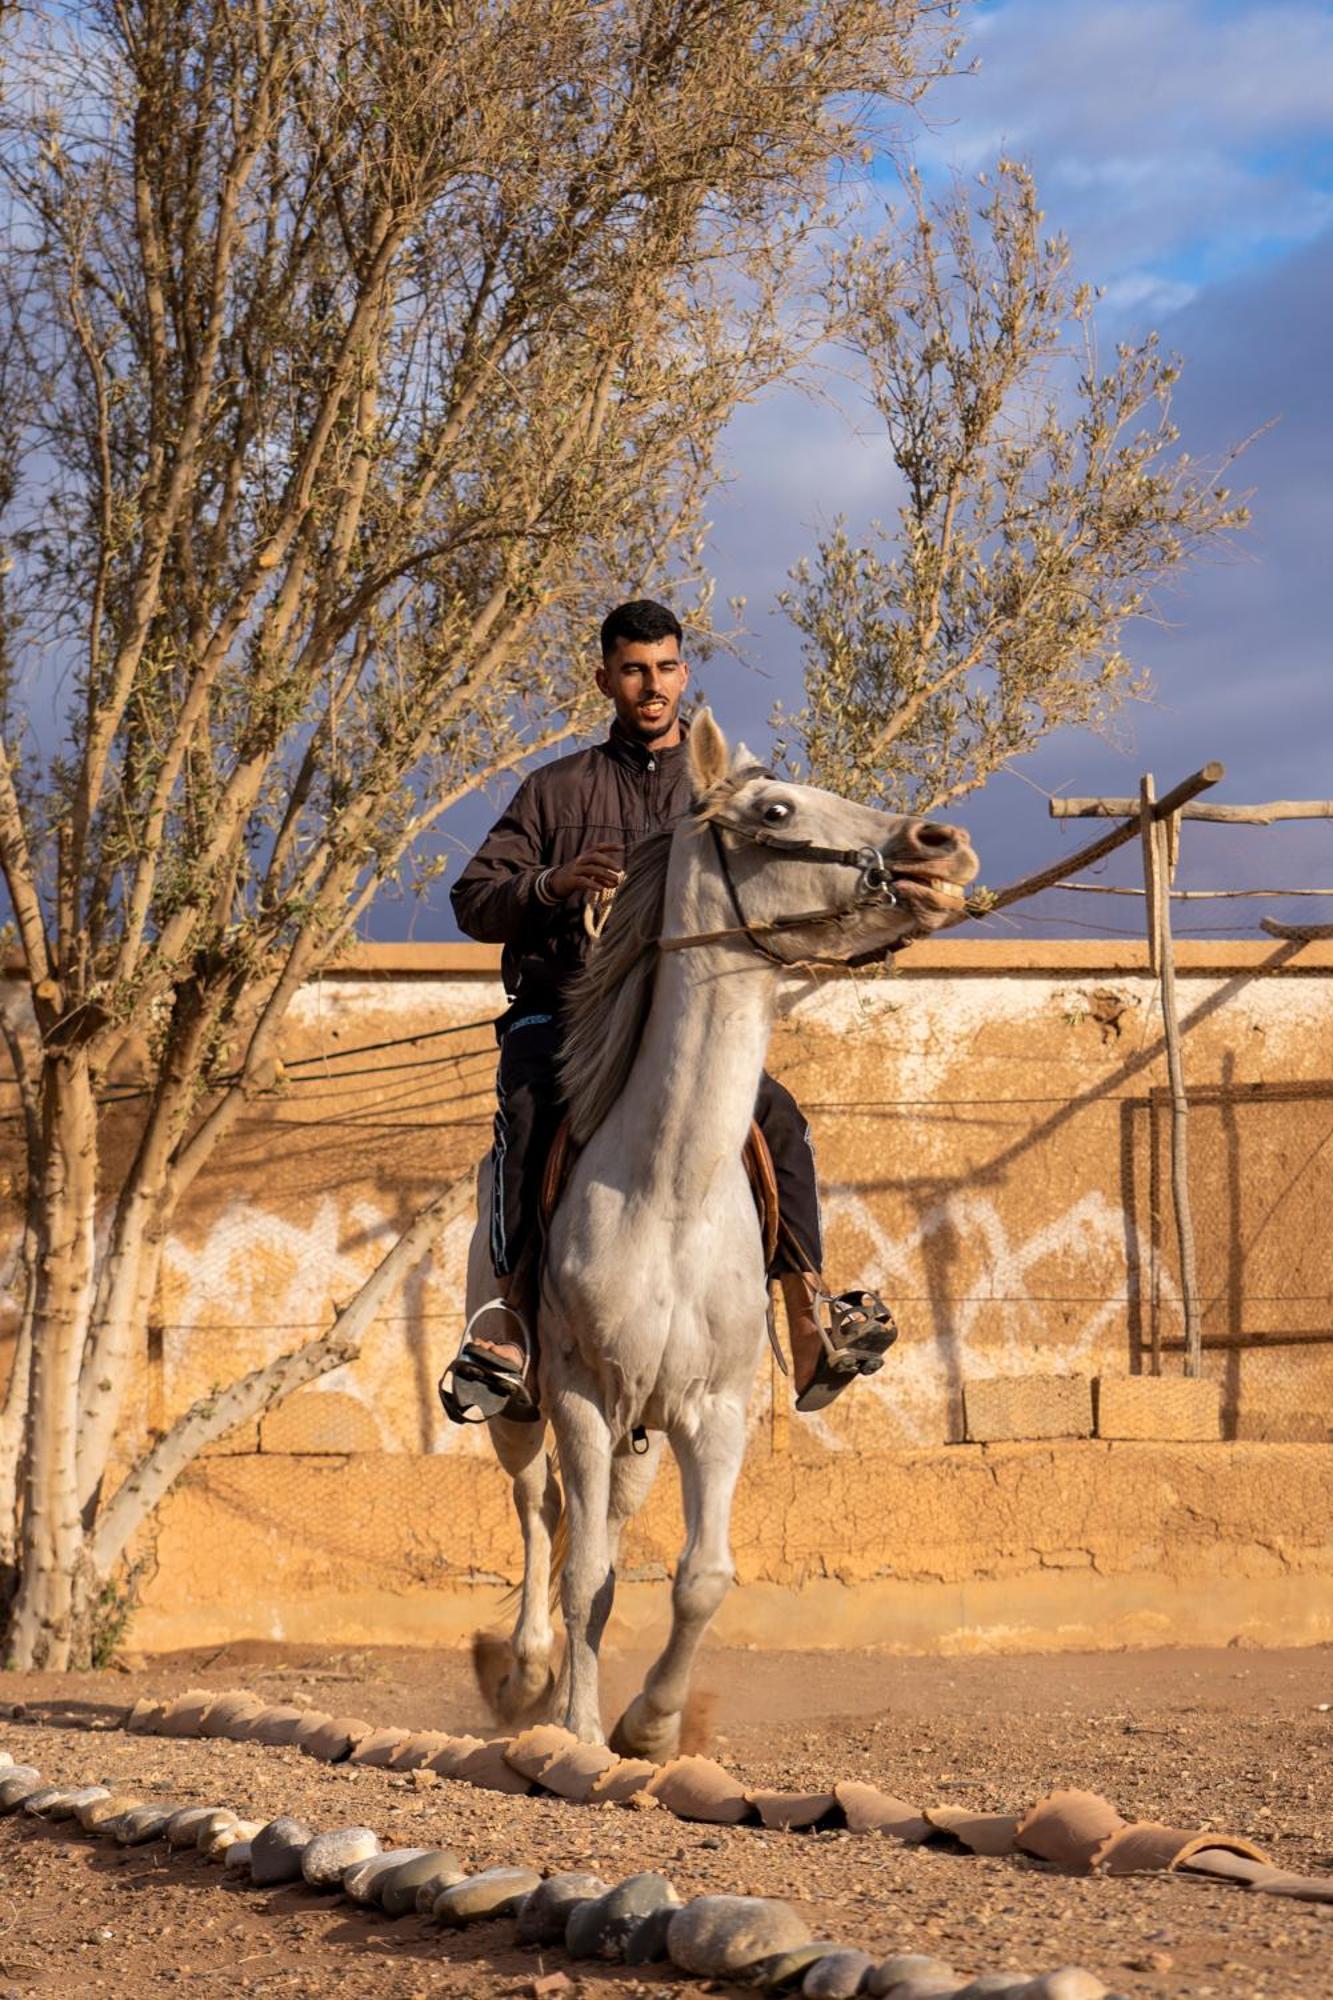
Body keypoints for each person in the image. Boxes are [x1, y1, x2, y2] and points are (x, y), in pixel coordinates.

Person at [443, 598, 896, 1425]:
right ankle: (508, 1321)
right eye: (631, 670)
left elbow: (786, 882)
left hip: (683, 1032)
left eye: (664, 668)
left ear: (683, 672)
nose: (650, 686)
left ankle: (807, 1313)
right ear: (605, 679)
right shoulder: (554, 791)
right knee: (526, 1110)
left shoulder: (722, 788)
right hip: (566, 1022)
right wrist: (551, 884)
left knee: (779, 1121)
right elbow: (472, 902)